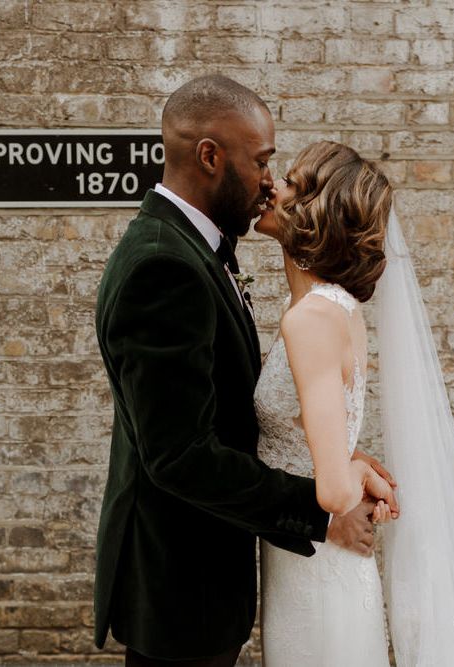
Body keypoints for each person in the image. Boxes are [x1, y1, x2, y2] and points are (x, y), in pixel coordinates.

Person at [93, 75, 397, 667]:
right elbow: (179, 454)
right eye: (262, 162)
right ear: (210, 156)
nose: (268, 181)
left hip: (213, 575)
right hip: (181, 580)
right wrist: (321, 513)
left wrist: (342, 464)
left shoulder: (196, 251)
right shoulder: (165, 265)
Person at [254, 140, 454, 665]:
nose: (271, 186)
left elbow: (328, 491)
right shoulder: (325, 308)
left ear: (316, 212)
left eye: (292, 184)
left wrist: (351, 469)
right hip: (305, 563)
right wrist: (360, 464)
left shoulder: (313, 319)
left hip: (318, 576)